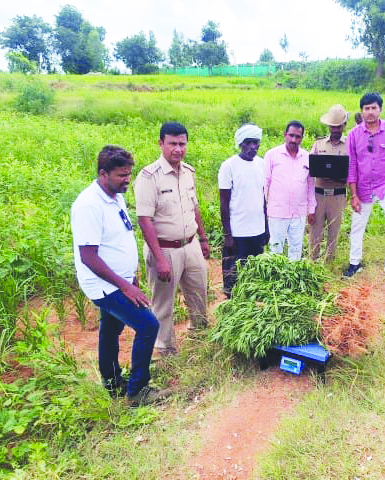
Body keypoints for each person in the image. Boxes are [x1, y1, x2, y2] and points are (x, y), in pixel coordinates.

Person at [71, 145, 171, 407]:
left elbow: (119, 238)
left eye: (129, 174)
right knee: (148, 326)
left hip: (120, 280)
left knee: (111, 330)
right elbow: (89, 257)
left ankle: (113, 384)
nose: (127, 179)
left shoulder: (116, 196)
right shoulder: (89, 205)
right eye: (121, 175)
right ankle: (138, 390)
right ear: (103, 174)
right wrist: (125, 286)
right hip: (105, 285)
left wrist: (131, 276)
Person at [134, 122, 210, 358]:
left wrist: (204, 239)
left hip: (191, 244)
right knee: (163, 305)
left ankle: (199, 337)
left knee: (198, 295)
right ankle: (165, 349)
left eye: (182, 144)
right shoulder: (149, 177)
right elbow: (145, 220)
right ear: (161, 144)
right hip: (165, 250)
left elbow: (194, 208)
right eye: (173, 144)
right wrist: (160, 260)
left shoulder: (189, 172)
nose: (178, 149)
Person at [343, 92, 385, 280]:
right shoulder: (354, 135)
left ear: (380, 109)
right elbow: (352, 165)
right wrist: (353, 195)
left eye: (374, 108)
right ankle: (355, 263)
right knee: (357, 226)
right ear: (361, 111)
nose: (370, 112)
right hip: (362, 188)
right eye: (366, 108)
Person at [219, 124, 268, 297]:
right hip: (238, 232)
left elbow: (263, 199)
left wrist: (266, 228)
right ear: (241, 143)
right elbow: (224, 204)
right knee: (234, 275)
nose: (252, 147)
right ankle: (232, 304)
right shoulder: (229, 166)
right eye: (248, 143)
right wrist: (228, 235)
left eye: (256, 143)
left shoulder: (262, 164)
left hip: (257, 230)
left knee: (254, 273)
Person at [264, 121, 316, 261]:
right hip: (277, 212)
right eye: (291, 135)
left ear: (302, 138)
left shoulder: (307, 157)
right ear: (285, 135)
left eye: (298, 137)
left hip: (298, 212)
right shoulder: (272, 155)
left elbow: (311, 185)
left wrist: (311, 209)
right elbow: (265, 183)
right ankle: (276, 279)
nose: (294, 140)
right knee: (276, 248)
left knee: (296, 247)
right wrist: (264, 208)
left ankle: (293, 279)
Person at [309, 105, 349, 262]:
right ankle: (312, 262)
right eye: (333, 126)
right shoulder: (318, 144)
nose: (335, 130)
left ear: (344, 126)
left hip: (337, 195)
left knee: (334, 231)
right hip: (318, 194)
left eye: (338, 126)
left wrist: (341, 177)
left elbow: (354, 170)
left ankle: (329, 264)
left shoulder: (349, 145)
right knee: (315, 231)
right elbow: (311, 167)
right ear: (328, 126)